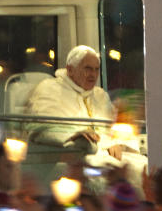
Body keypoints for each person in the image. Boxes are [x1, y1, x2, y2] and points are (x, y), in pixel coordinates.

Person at [24, 45, 147, 186]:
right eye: (88, 69)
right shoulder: (50, 89)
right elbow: (42, 129)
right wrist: (74, 136)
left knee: (144, 167)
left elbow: (115, 130)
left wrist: (116, 143)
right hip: (74, 156)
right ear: (70, 70)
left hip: (107, 154)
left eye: (96, 69)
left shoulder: (100, 95)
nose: (93, 75)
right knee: (111, 173)